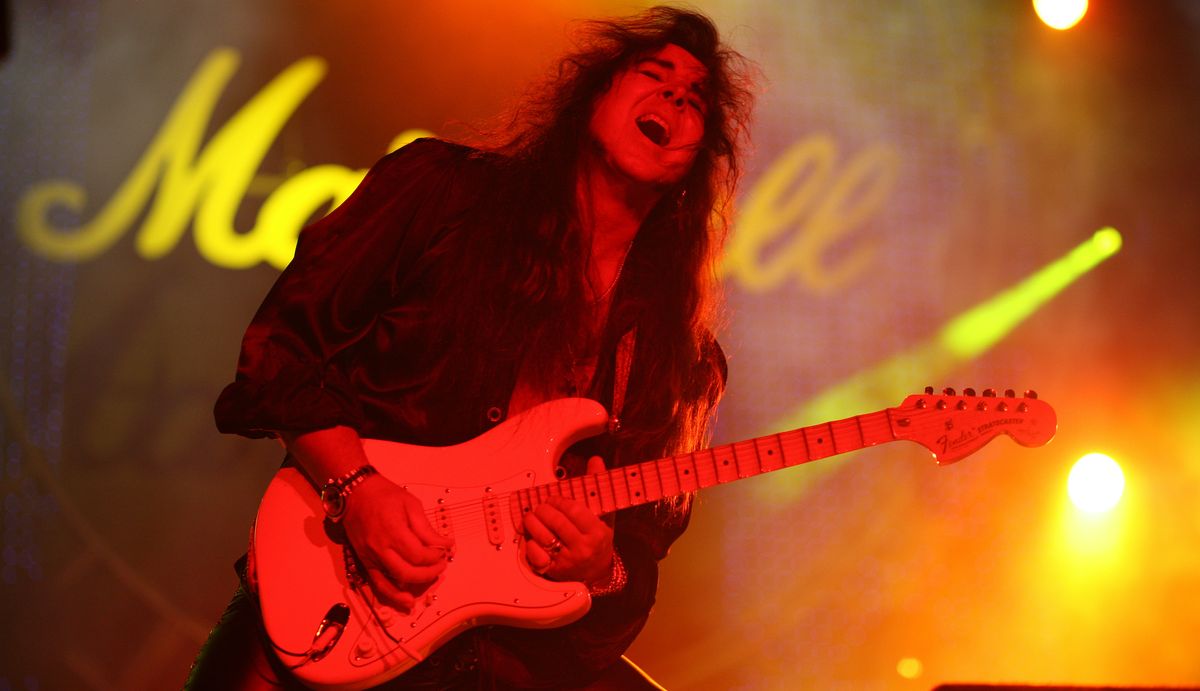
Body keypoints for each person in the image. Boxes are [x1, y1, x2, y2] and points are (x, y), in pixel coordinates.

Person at [187, 6, 754, 689]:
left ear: (695, 163)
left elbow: (639, 555)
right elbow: (283, 348)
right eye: (654, 74)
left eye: (695, 101)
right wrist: (357, 488)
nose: (673, 97)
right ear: (592, 95)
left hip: (501, 657)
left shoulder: (678, 359)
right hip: (336, 602)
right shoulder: (442, 194)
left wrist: (599, 565)